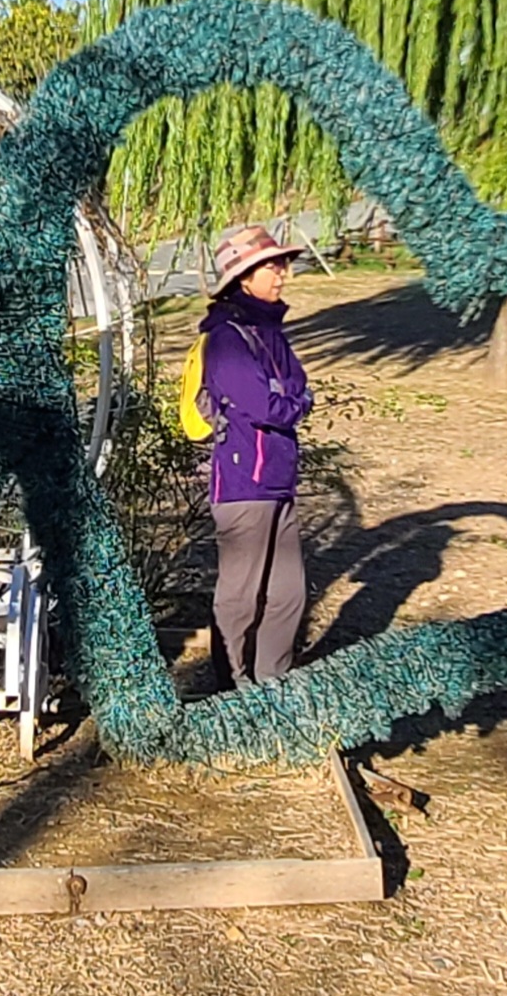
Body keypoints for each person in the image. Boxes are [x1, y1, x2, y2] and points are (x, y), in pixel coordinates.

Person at [198, 223, 315, 685]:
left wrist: (289, 400)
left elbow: (298, 388)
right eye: (271, 266)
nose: (282, 273)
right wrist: (290, 402)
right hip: (243, 483)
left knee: (288, 595)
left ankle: (272, 685)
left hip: (279, 479)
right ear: (243, 278)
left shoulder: (270, 332)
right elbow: (265, 404)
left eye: (282, 264)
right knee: (240, 597)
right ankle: (230, 687)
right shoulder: (226, 338)